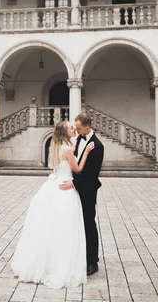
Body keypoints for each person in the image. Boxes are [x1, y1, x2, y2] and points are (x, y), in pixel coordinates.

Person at [11, 120, 95, 289]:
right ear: (65, 133)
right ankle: (59, 265)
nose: (74, 128)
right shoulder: (68, 149)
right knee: (65, 227)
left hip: (53, 185)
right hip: (65, 188)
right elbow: (77, 170)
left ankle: (45, 263)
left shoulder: (56, 147)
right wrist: (85, 152)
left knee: (51, 227)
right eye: (71, 127)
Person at [59, 112, 104, 276]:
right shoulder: (77, 139)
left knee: (88, 223)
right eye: (74, 128)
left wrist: (74, 183)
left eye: (78, 128)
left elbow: (92, 173)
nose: (76, 131)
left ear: (87, 127)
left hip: (87, 190)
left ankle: (93, 262)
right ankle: (78, 255)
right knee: (76, 224)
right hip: (73, 190)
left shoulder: (97, 146)